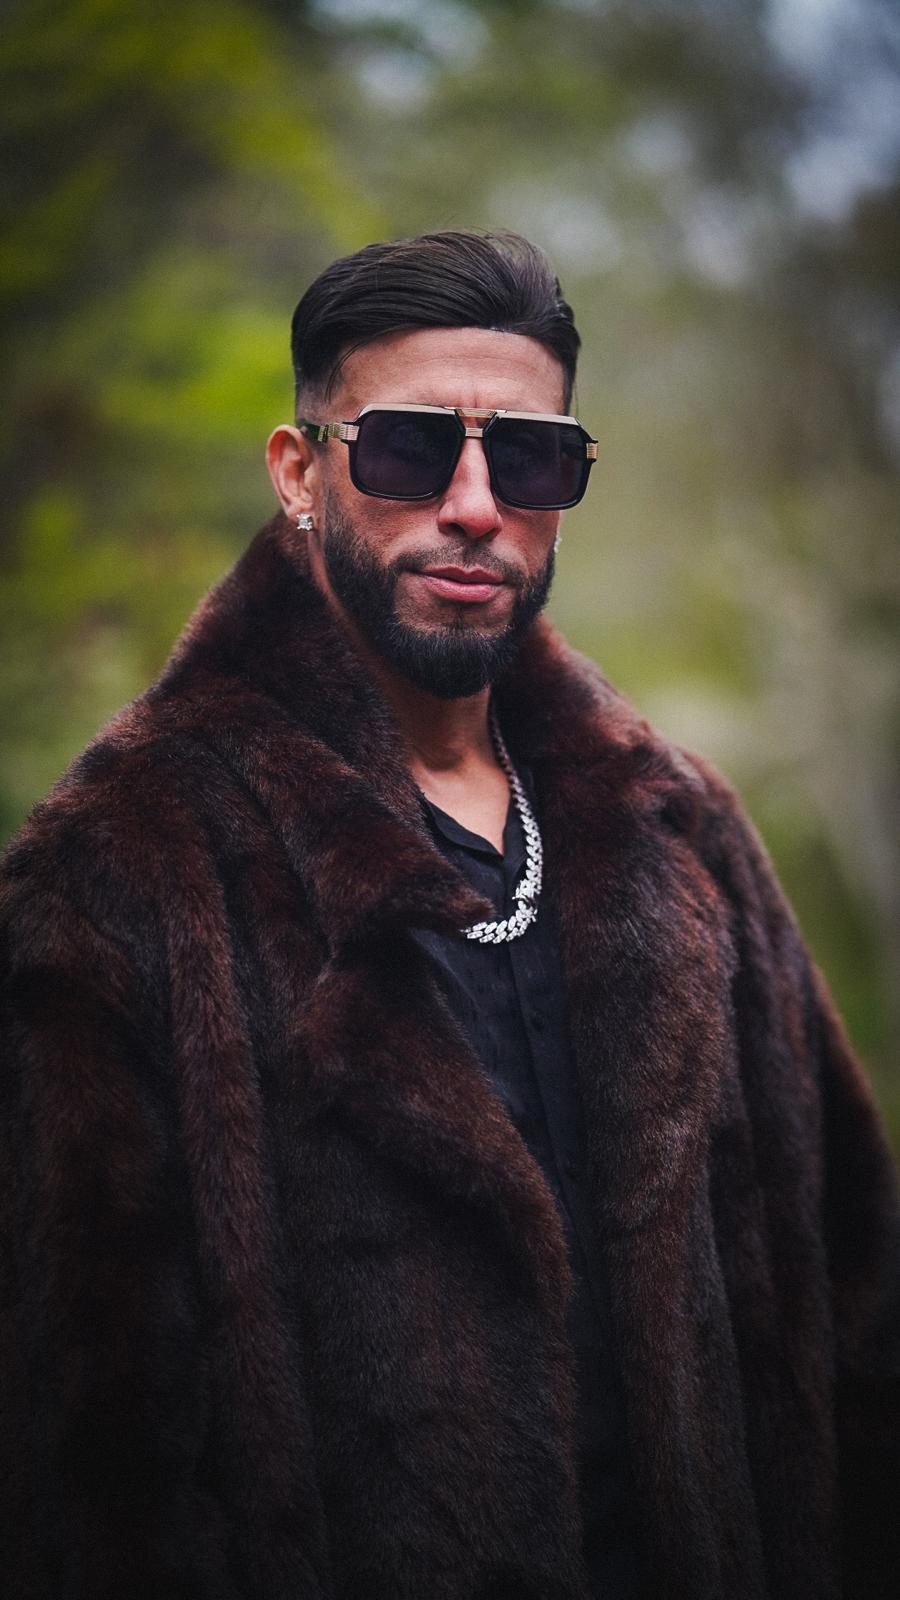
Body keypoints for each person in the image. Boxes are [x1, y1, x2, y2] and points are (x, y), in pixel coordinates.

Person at [1, 230, 898, 1600]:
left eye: (530, 460)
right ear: (299, 472)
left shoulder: (681, 831)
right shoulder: (123, 868)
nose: (477, 506)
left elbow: (856, 1316)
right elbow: (83, 1455)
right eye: (411, 450)